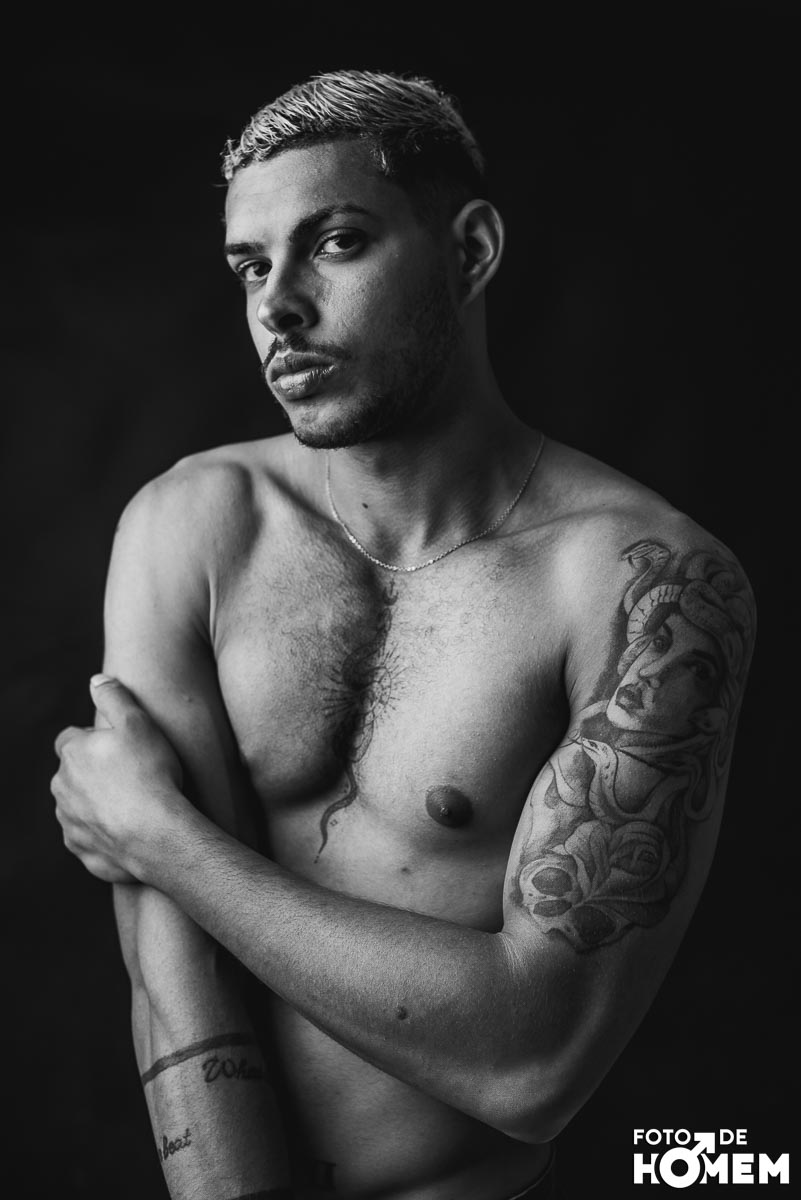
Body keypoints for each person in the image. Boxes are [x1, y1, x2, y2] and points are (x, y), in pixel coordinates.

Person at [50, 69, 755, 1200]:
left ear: (469, 252)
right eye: (249, 267)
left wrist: (161, 837)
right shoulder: (194, 525)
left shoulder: (644, 586)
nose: (278, 308)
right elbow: (172, 967)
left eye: (334, 244)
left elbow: (535, 1061)